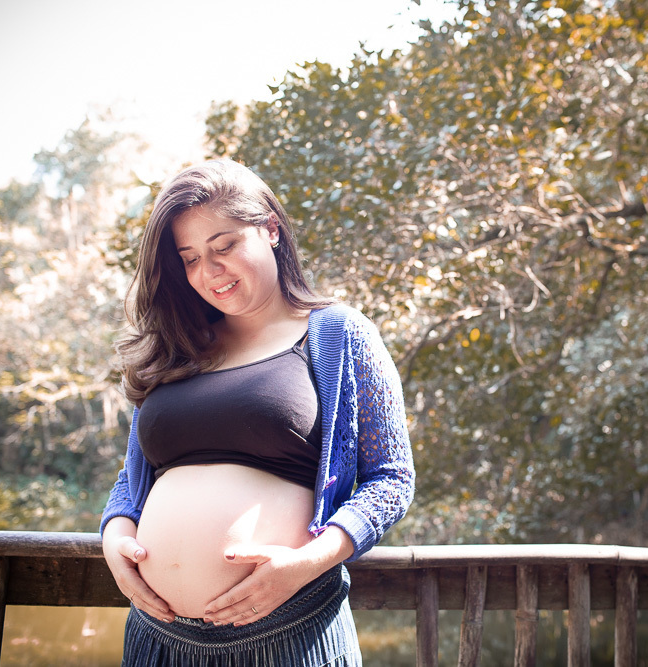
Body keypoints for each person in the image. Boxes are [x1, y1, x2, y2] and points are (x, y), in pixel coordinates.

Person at [99, 158, 414, 666]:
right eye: (190, 258)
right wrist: (114, 534)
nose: (209, 271)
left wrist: (307, 564)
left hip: (289, 631)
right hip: (158, 638)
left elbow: (392, 479)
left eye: (224, 246)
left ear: (270, 229)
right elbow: (135, 477)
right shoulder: (175, 347)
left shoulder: (337, 333)